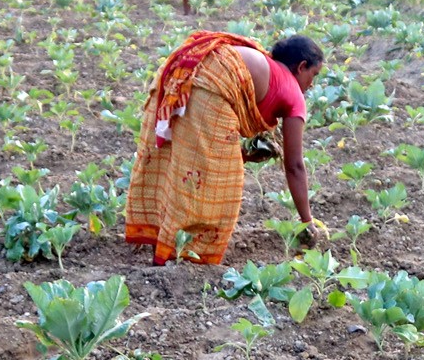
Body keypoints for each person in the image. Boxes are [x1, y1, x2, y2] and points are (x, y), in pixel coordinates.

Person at [126, 31, 322, 266]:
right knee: (223, 185)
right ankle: (191, 255)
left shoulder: (268, 68)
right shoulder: (293, 92)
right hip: (209, 87)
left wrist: (247, 153)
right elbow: (295, 166)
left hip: (184, 72)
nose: (312, 84)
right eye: (314, 74)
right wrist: (307, 220)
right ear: (301, 67)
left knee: (180, 164)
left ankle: (166, 240)